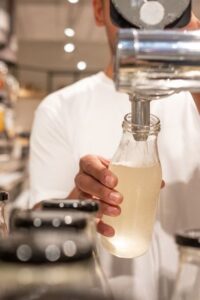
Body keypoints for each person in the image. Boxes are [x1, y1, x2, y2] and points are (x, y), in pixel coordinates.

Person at [29, 1, 200, 299]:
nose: (143, 24)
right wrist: (76, 203)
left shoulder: (192, 97)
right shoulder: (60, 109)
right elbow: (38, 233)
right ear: (100, 10)